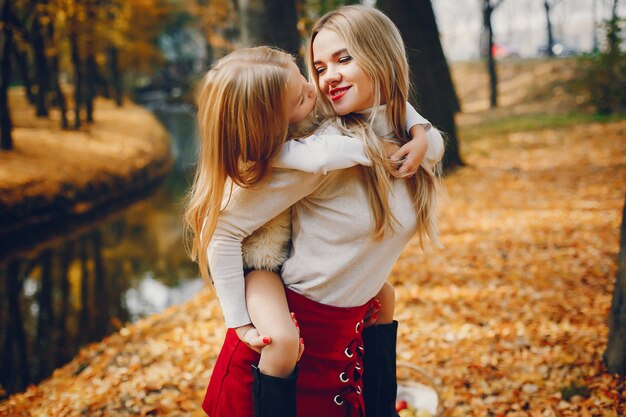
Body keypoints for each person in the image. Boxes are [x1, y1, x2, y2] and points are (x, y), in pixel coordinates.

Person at [184, 43, 440, 417]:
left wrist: (418, 132)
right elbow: (221, 234)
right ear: (274, 119)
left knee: (384, 297)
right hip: (263, 280)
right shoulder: (291, 159)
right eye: (301, 92)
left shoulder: (312, 112)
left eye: (306, 76)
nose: (315, 87)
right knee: (283, 341)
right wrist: (238, 323)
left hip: (333, 344)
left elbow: (395, 104)